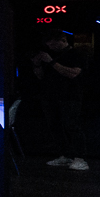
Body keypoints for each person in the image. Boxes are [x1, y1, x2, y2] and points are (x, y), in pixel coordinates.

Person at [31, 31, 90, 170]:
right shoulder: (50, 55)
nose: (50, 47)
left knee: (71, 125)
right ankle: (65, 155)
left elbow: (73, 73)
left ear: (63, 40)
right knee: (55, 126)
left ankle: (80, 158)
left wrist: (51, 62)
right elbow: (40, 76)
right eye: (49, 44)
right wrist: (37, 64)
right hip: (50, 95)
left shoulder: (76, 54)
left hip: (70, 95)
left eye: (53, 43)